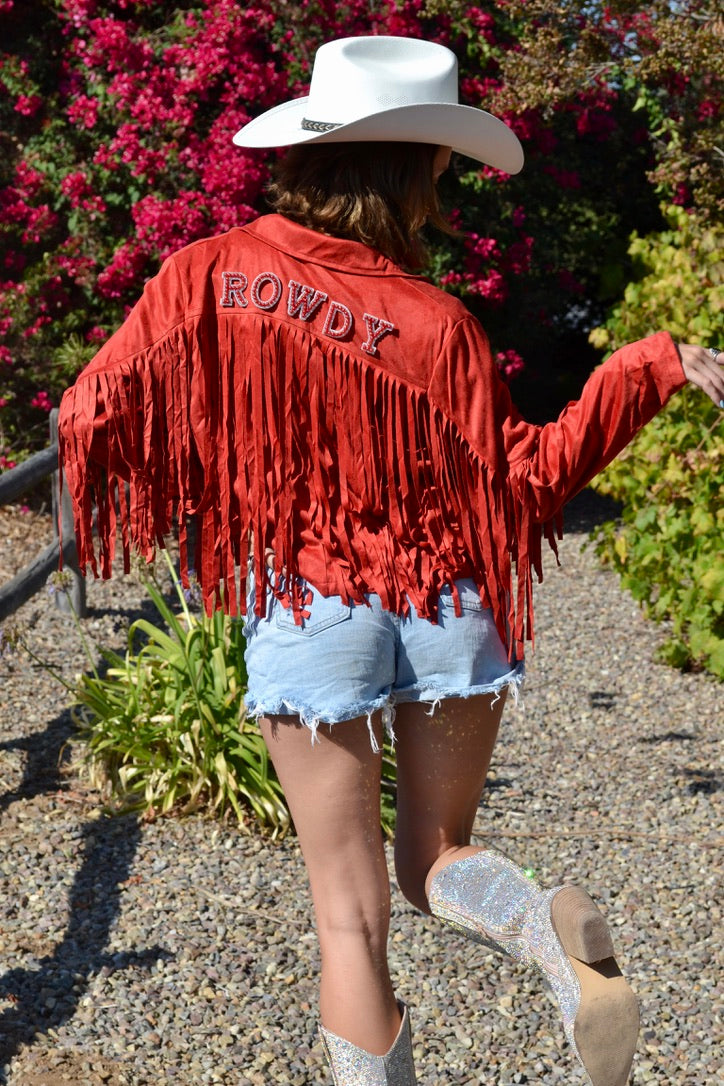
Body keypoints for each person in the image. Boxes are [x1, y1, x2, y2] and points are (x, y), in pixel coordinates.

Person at [58, 35, 723, 1086]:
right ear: (418, 172)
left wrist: (225, 462)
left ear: (314, 150)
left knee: (348, 918)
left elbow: (93, 413)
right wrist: (653, 365)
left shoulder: (208, 273)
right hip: (451, 596)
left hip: (310, 601)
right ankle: (544, 925)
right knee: (436, 856)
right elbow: (531, 480)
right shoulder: (439, 324)